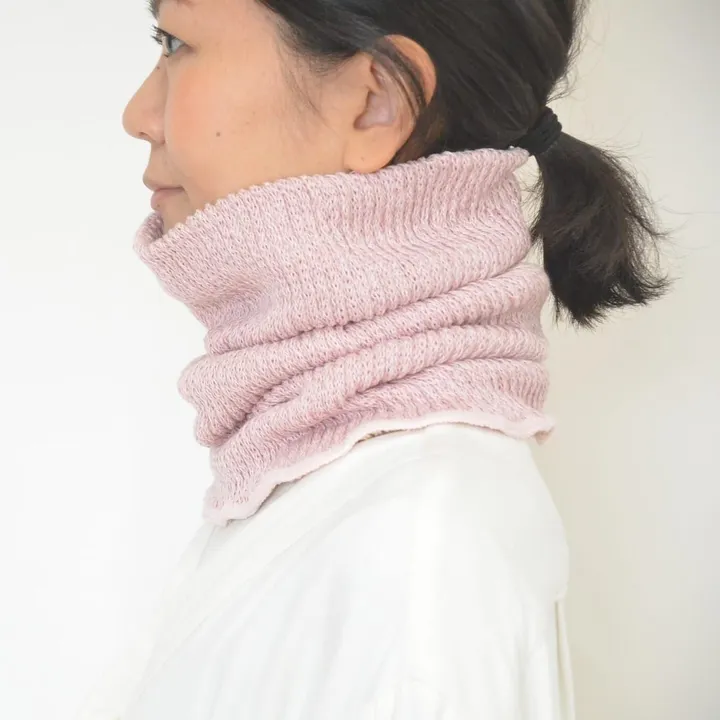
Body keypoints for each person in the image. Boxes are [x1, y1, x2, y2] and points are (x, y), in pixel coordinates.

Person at [78, 0, 666, 717]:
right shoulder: (320, 484)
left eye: (176, 43)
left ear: (375, 103)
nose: (138, 114)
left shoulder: (417, 554)